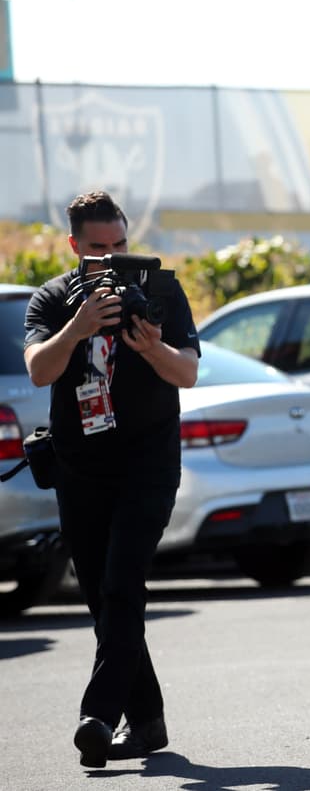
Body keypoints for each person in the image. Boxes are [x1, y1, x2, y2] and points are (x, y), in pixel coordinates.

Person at [24, 190, 200, 768]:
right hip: (81, 469)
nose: (113, 257)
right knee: (105, 598)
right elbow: (38, 371)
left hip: (148, 464)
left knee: (123, 583)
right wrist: (76, 329)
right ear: (75, 246)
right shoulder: (54, 300)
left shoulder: (161, 292)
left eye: (120, 244)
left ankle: (98, 714)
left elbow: (188, 374)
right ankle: (147, 722)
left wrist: (153, 349)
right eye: (99, 248)